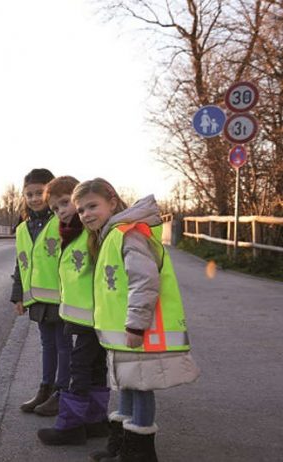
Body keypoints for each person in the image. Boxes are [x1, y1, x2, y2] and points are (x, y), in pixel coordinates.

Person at [72, 178, 200, 462]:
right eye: (81, 210)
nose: (86, 214)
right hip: (124, 333)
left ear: (113, 202)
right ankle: (122, 444)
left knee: (140, 387)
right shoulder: (110, 235)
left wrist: (136, 325)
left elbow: (144, 281)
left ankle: (139, 452)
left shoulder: (129, 234)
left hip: (138, 331)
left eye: (92, 206)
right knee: (128, 384)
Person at [36, 176, 109, 446]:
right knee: (95, 367)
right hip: (84, 315)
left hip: (93, 315)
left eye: (66, 203)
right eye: (55, 209)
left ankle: (71, 426)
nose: (62, 211)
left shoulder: (90, 232)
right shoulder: (73, 233)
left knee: (79, 368)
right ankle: (95, 421)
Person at [11, 168, 72, 417]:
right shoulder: (23, 228)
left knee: (63, 346)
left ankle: (62, 391)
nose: (35, 198)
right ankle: (45, 389)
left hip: (63, 297)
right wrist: (18, 295)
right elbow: (21, 262)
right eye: (30, 194)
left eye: (41, 193)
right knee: (47, 345)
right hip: (38, 299)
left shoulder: (61, 221)